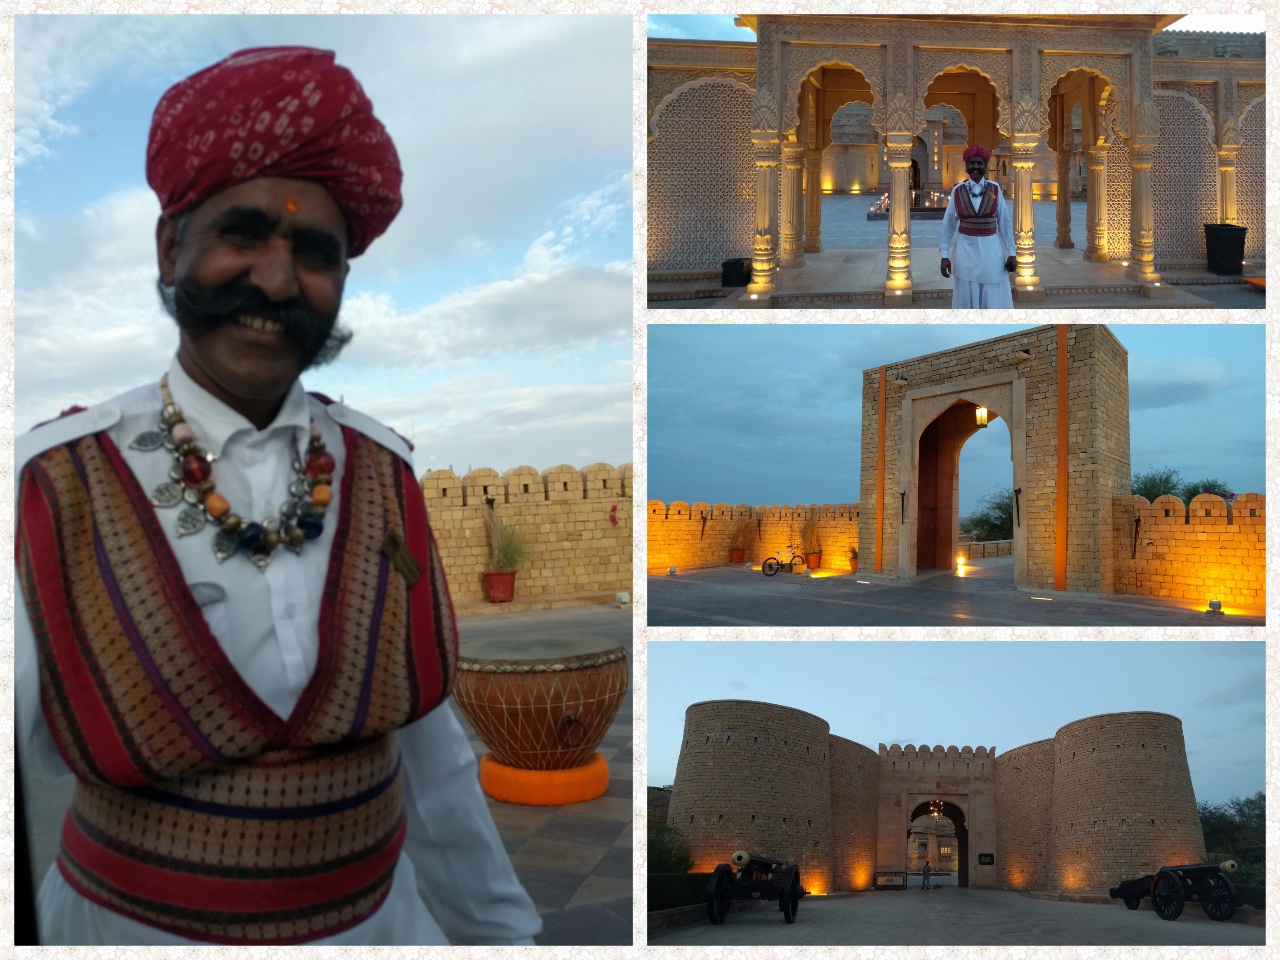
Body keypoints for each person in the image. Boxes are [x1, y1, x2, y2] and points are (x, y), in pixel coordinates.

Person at [15, 46, 541, 947]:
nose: (276, 279)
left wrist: (500, 931)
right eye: (244, 233)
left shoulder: (383, 472)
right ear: (170, 247)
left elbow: (431, 756)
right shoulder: (53, 483)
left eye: (315, 252)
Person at [939, 143, 1017, 309]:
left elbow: (1004, 221)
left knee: (992, 289)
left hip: (991, 253)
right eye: (972, 163)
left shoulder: (995, 189)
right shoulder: (958, 190)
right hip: (965, 252)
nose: (976, 166)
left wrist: (1012, 252)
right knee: (967, 289)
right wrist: (944, 255)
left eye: (980, 163)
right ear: (966, 165)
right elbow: (948, 224)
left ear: (985, 166)